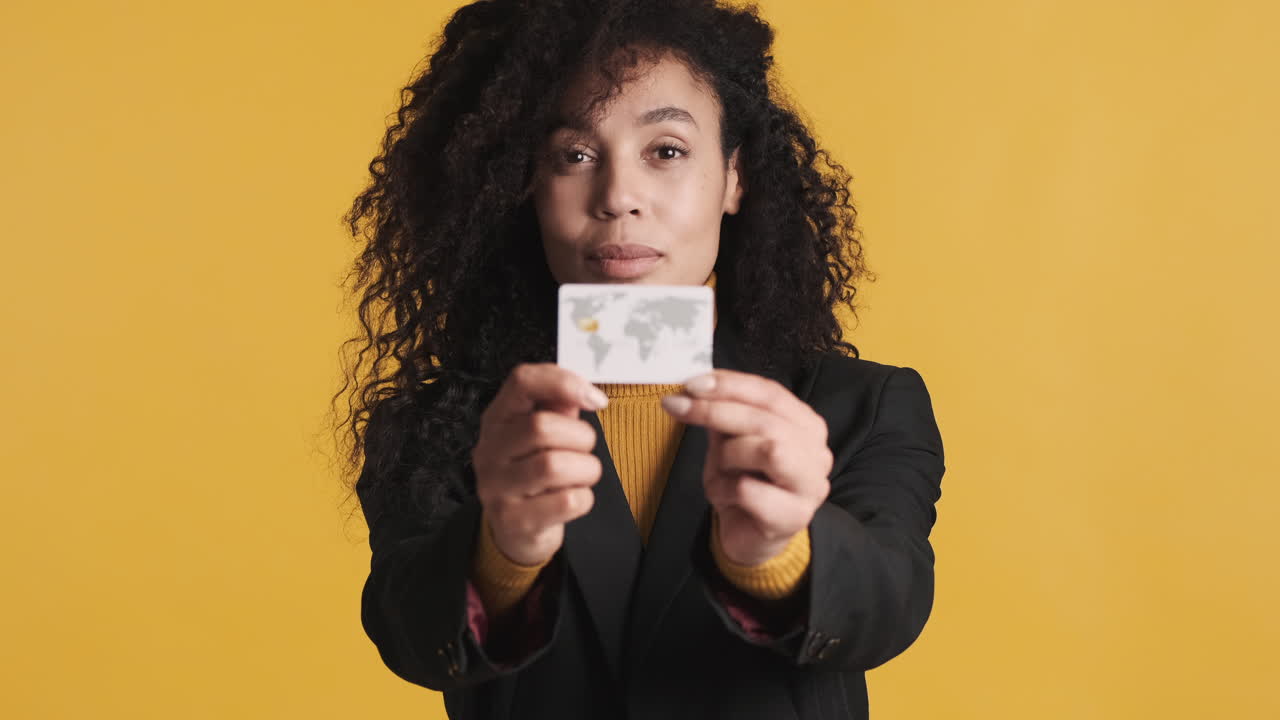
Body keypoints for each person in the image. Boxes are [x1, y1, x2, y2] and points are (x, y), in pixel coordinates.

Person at [336, 1, 946, 718]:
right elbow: (411, 639)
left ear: (734, 177)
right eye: (574, 155)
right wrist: (504, 547)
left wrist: (784, 551)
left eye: (666, 150)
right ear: (525, 185)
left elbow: (889, 607)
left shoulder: (861, 405)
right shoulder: (440, 426)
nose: (619, 197)